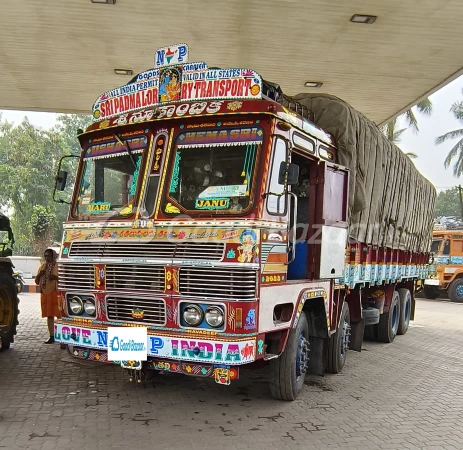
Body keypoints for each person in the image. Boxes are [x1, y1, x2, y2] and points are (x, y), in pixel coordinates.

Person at [35, 249, 60, 344]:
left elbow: (64, 278)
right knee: (49, 316)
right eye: (45, 255)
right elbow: (37, 282)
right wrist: (39, 275)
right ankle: (52, 336)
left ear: (53, 256)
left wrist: (55, 277)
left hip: (55, 294)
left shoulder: (58, 266)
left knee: (59, 316)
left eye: (48, 255)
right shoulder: (42, 267)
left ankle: (62, 338)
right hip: (45, 294)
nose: (46, 257)